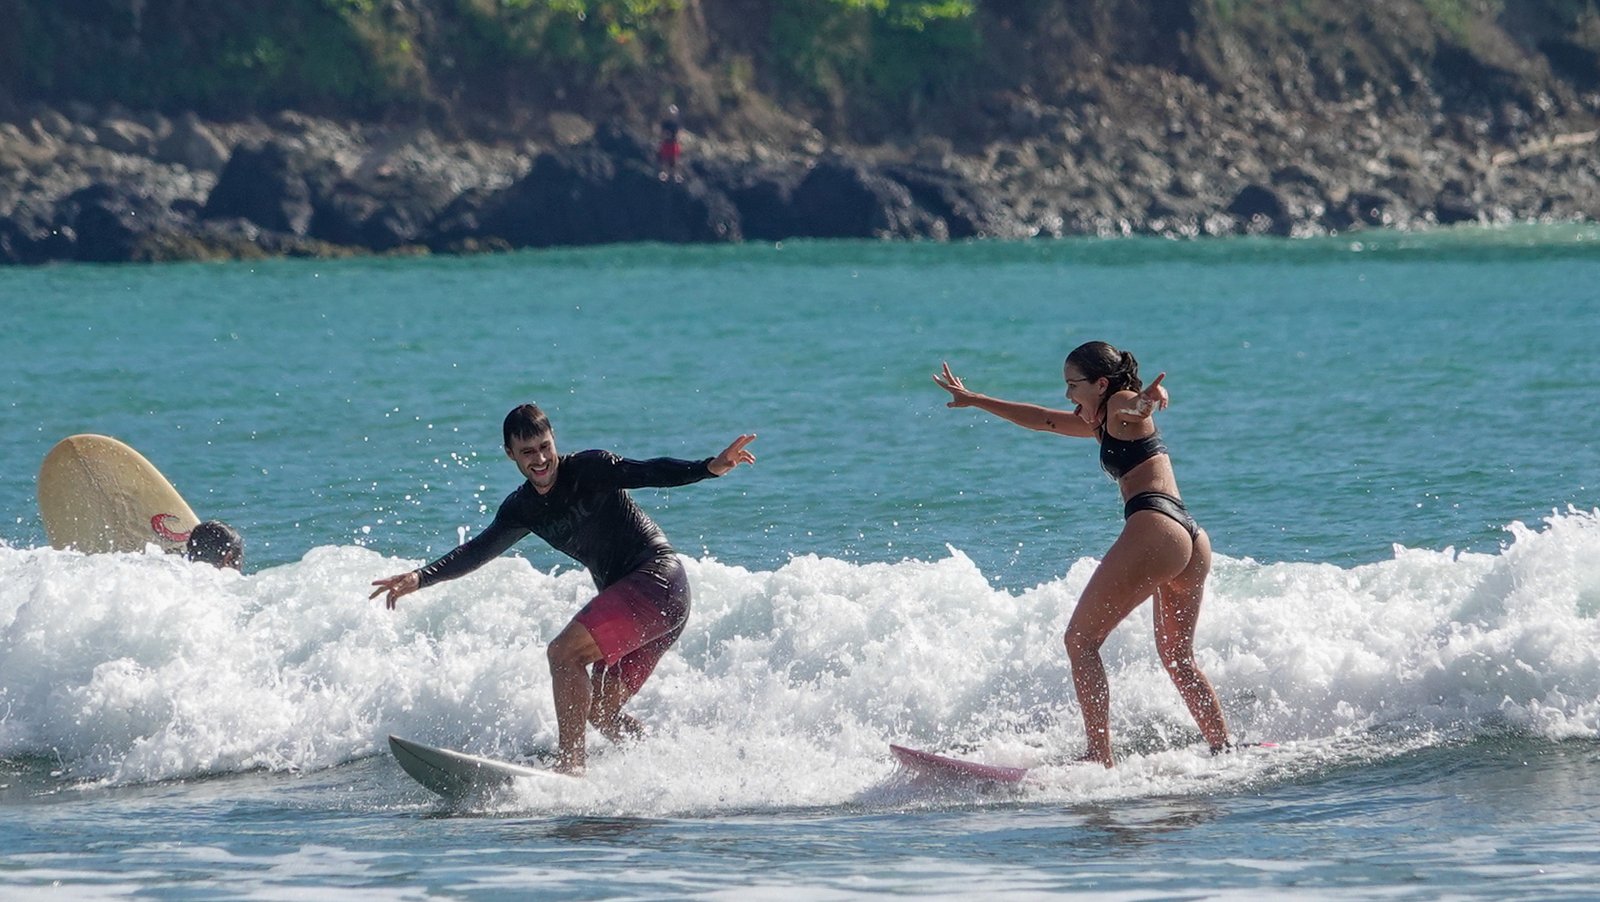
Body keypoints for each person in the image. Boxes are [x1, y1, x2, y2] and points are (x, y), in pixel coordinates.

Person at [370, 403, 756, 774]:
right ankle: (665, 766)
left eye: (544, 447)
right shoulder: (522, 508)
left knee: (564, 654)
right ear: (510, 455)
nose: (539, 460)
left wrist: (709, 467)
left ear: (554, 440)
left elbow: (650, 472)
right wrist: (421, 577)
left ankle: (570, 770)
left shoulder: (590, 468)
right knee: (600, 712)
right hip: (659, 607)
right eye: (527, 452)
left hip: (658, 581)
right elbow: (478, 551)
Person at [933, 343, 1229, 767]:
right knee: (1178, 658)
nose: (1068, 394)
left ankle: (1099, 758)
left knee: (1080, 640)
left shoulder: (1121, 405)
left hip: (1157, 527)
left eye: (1074, 385)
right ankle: (1223, 746)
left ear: (1101, 384)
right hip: (1190, 535)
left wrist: (1149, 401)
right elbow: (1043, 420)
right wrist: (977, 400)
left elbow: (1136, 408)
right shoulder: (1099, 420)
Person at [656, 105, 682, 182]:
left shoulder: (676, 124)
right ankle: (664, 173)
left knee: (675, 159)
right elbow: (661, 133)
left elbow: (678, 133)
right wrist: (664, 136)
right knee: (665, 159)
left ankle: (676, 175)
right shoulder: (665, 123)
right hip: (666, 143)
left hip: (673, 143)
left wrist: (677, 139)